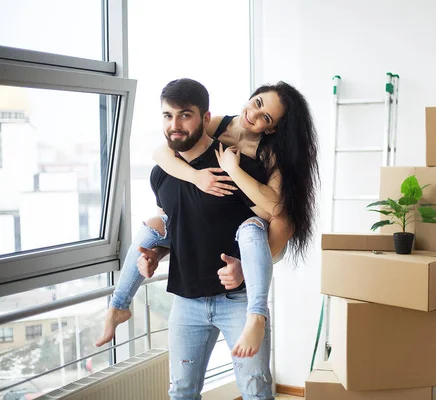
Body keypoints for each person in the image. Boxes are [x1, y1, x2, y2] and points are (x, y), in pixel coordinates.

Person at [95, 80, 318, 360]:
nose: (254, 114)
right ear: (253, 97)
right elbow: (161, 152)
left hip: (264, 238)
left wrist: (232, 170)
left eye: (266, 118)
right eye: (257, 103)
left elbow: (277, 211)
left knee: (264, 225)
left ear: (271, 128)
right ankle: (118, 305)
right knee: (154, 224)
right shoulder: (217, 125)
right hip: (222, 226)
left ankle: (256, 314)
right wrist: (196, 177)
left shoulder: (268, 152)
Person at [140, 78, 276, 398]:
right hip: (186, 300)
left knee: (256, 390)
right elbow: (179, 227)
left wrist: (244, 264)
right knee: (182, 392)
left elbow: (265, 222)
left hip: (238, 300)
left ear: (205, 118)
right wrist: (156, 253)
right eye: (167, 116)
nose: (175, 125)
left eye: (185, 115)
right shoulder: (161, 173)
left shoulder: (236, 165)